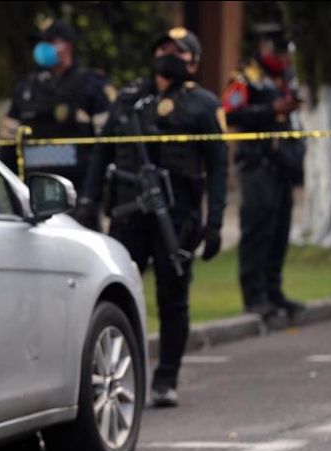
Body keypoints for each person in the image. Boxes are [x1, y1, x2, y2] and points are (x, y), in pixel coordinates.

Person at [81, 28, 228, 407]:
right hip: (129, 213)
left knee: (172, 298)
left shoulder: (204, 104)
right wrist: (89, 202)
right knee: (113, 294)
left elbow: (218, 165)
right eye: (163, 48)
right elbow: (102, 153)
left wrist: (214, 224)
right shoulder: (129, 100)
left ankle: (166, 380)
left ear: (193, 62)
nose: (167, 55)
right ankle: (117, 373)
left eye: (178, 52)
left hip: (177, 218)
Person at [222, 21, 306, 319]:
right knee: (257, 231)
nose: (282, 58)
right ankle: (254, 296)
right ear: (263, 47)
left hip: (281, 165)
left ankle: (274, 291)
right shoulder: (246, 79)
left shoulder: (284, 79)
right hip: (255, 166)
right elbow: (229, 114)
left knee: (279, 231)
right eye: (277, 50)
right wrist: (273, 109)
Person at [1, 18, 114, 201]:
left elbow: (107, 141)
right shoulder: (27, 87)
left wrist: (94, 192)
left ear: (67, 46)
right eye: (42, 42)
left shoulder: (90, 85)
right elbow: (8, 142)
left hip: (78, 185)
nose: (43, 48)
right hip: (34, 185)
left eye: (50, 43)